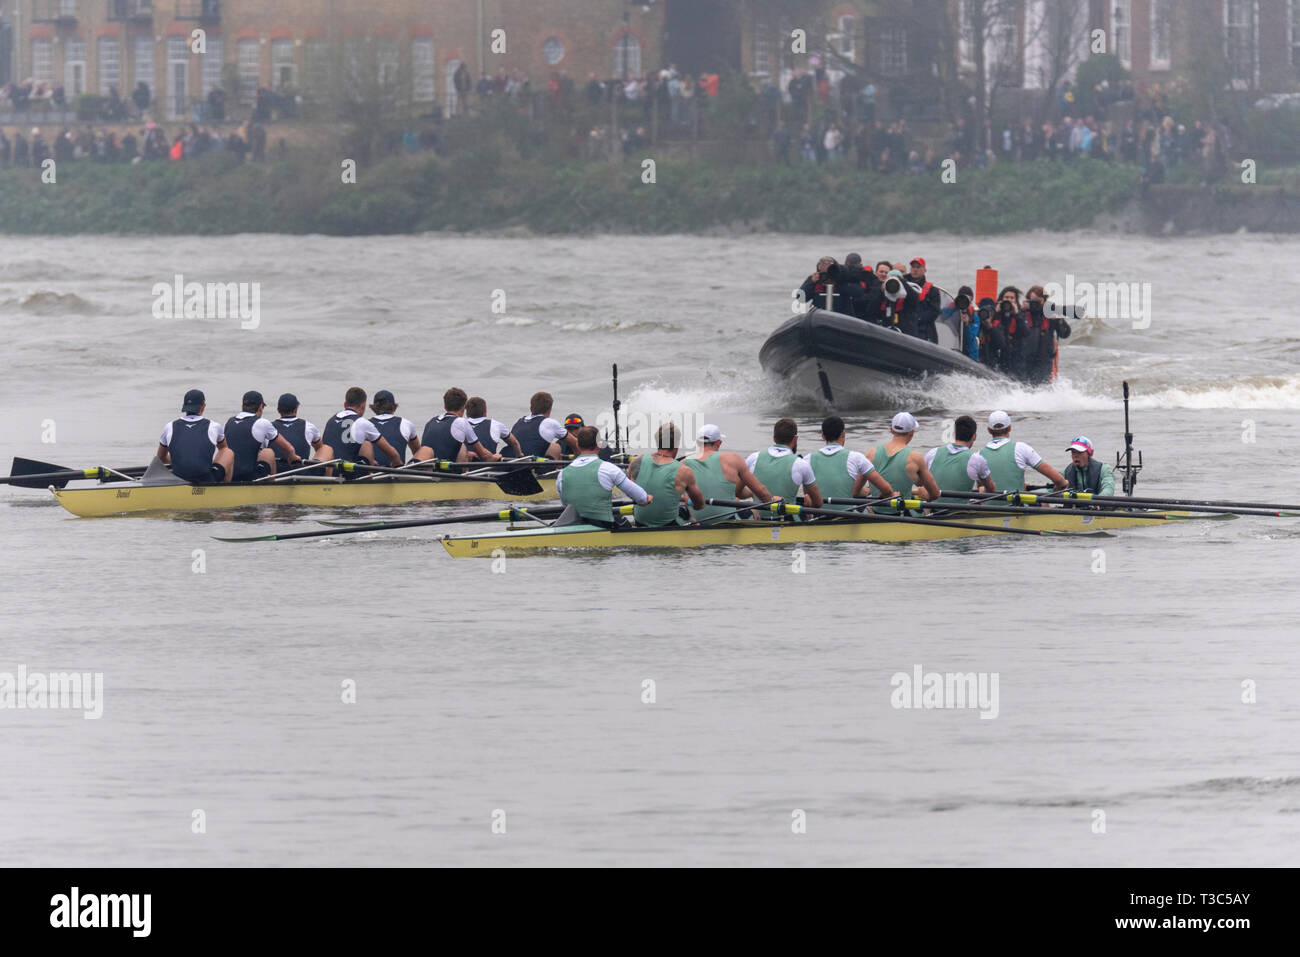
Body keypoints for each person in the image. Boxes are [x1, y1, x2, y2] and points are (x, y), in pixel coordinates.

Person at [556, 426, 651, 525]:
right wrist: (648, 498)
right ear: (599, 445)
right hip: (603, 528)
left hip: (573, 528)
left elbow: (565, 506)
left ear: (577, 445)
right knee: (625, 523)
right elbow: (641, 498)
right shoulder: (609, 469)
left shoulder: (561, 475)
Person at [682, 424, 772, 523]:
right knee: (754, 511)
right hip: (727, 522)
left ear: (698, 443)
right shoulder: (733, 459)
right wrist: (773, 503)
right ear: (719, 442)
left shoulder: (683, 463)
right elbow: (762, 493)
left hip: (697, 521)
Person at [626, 423, 705, 527]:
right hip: (669, 526)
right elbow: (699, 505)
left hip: (640, 523)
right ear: (677, 442)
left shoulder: (636, 461)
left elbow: (630, 492)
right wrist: (686, 500)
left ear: (657, 441)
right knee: (692, 516)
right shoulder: (684, 470)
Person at [809, 415, 894, 509]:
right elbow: (887, 490)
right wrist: (880, 500)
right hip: (847, 518)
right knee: (869, 509)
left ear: (823, 436)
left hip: (818, 517)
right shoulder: (856, 458)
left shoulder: (807, 459)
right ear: (843, 434)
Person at [745, 418, 823, 517]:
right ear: (795, 439)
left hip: (756, 521)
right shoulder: (801, 464)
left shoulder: (753, 458)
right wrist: (809, 504)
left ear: (774, 438)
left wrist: (751, 493)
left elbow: (737, 492)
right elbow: (818, 503)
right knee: (807, 514)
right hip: (788, 522)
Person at [156, 389, 234, 483]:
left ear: (183, 406)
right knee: (228, 452)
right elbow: (223, 449)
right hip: (206, 480)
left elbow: (160, 458)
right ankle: (225, 488)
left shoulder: (169, 427)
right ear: (203, 406)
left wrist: (180, 459)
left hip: (178, 480)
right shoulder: (214, 426)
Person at [980, 410, 1066, 494]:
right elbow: (1059, 480)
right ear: (1010, 427)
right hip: (1016, 507)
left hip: (988, 507)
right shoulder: (1021, 448)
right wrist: (1058, 487)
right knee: (1043, 503)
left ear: (988, 430)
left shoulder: (979, 455)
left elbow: (982, 487)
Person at [224, 390, 302, 481]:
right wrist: (294, 458)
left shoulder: (229, 422)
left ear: (242, 406)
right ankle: (271, 488)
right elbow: (288, 449)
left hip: (231, 477)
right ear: (261, 407)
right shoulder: (262, 423)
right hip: (250, 478)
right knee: (268, 452)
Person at [322, 387, 403, 471]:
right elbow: (391, 453)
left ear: (345, 404)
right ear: (363, 406)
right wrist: (397, 464)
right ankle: (369, 478)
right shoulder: (363, 422)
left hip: (327, 470)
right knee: (366, 444)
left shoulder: (331, 420)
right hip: (347, 472)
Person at [414, 387, 502, 463]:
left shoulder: (431, 421)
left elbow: (439, 446)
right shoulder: (462, 422)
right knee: (462, 447)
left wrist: (467, 454)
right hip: (445, 473)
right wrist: (495, 457)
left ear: (445, 406)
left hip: (427, 467)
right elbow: (483, 455)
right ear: (464, 407)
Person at [867, 412, 941, 502]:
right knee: (926, 507)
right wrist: (926, 496)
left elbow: (856, 492)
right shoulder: (916, 457)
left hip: (875, 510)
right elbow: (935, 494)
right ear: (912, 432)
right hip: (902, 511)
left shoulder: (871, 452)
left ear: (891, 430)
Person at [924, 415, 996, 504]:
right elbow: (991, 490)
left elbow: (921, 482)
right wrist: (980, 495)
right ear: (974, 436)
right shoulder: (977, 459)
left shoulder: (932, 453)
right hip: (959, 513)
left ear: (954, 434)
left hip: (933, 511)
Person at [1020, 285, 1071, 384]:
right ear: (1028, 300)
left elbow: (1065, 334)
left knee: (1043, 387)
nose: (1036, 304)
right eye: (1033, 301)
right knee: (1023, 386)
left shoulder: (1050, 314)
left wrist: (1060, 321)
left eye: (1039, 301)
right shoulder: (1022, 314)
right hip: (1025, 359)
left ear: (1044, 301)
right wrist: (1021, 310)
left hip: (1044, 359)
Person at [271, 393, 326, 472]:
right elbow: (320, 448)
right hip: (302, 474)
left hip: (276, 474)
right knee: (326, 449)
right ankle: (326, 481)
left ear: (278, 410)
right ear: (296, 408)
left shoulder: (269, 427)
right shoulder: (308, 426)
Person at [510, 391, 573, 459]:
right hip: (529, 467)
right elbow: (575, 444)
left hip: (509, 462)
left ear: (531, 409)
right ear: (550, 410)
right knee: (555, 447)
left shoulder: (519, 422)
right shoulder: (550, 423)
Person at [368, 390, 421, 466]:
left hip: (370, 473)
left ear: (373, 408)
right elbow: (418, 452)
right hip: (398, 472)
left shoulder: (364, 424)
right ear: (394, 407)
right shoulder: (406, 423)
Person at [908, 257, 942, 343]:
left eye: (918, 267)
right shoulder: (903, 287)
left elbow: (934, 311)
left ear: (924, 270)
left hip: (924, 331)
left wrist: (917, 319)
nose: (915, 270)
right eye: (913, 267)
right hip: (907, 328)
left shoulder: (932, 290)